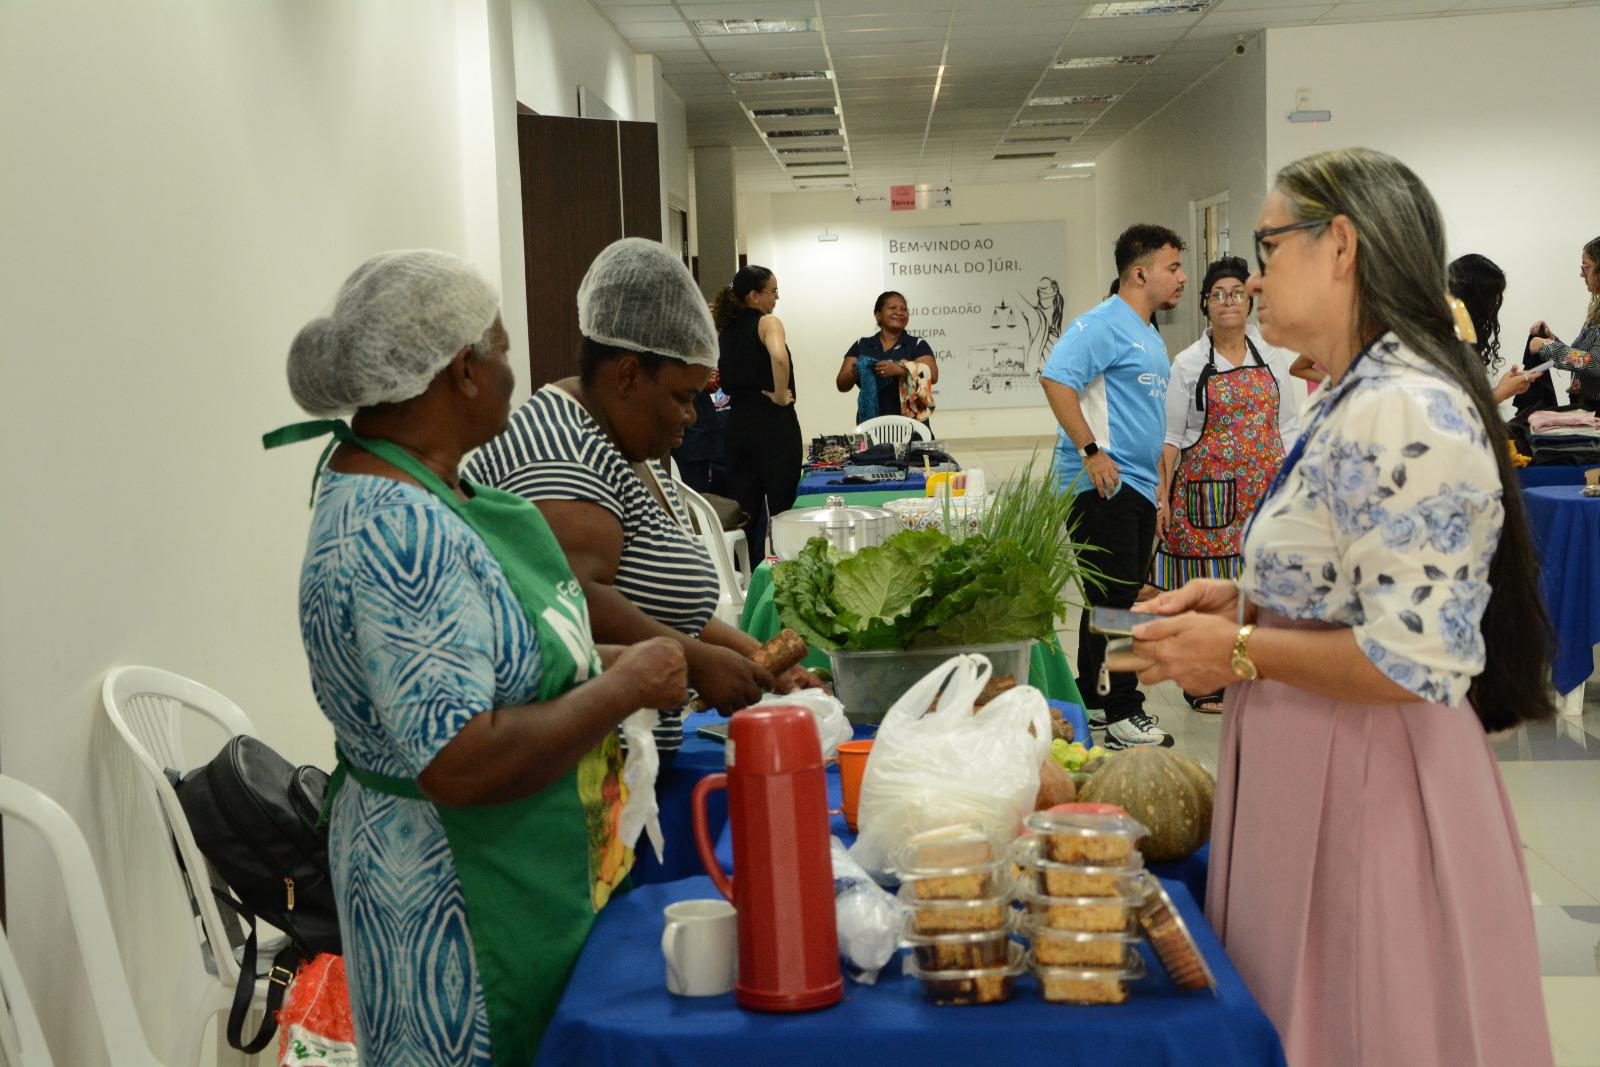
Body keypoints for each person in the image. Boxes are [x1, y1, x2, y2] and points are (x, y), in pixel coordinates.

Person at [1131, 149, 1555, 1065]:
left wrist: (1239, 648)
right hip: (1321, 755)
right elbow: (1358, 574)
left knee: (1366, 1019)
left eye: (1268, 245)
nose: (1249, 275)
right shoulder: (1351, 394)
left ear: (1342, 247)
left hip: (1373, 778)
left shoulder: (1405, 407)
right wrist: (1248, 597)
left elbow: (1414, 659)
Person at [272, 249, 689, 1063]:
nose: (513, 373)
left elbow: (491, 656)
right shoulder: (401, 530)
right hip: (445, 898)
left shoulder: (424, 490)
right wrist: (627, 681)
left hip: (491, 869)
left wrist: (611, 658)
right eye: (502, 351)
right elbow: (460, 758)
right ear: (463, 371)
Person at [467, 240, 816, 760]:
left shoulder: (628, 441)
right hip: (588, 773)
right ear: (628, 375)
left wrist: (756, 657)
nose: (692, 416)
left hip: (640, 757)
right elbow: (578, 601)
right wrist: (700, 663)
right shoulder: (561, 452)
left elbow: (661, 602)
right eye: (682, 397)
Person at [1040, 223, 1185, 749]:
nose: (1182, 277)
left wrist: (1160, 491)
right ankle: (1126, 711)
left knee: (1110, 597)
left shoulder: (1147, 331)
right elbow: (1056, 380)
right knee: (1118, 602)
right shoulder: (1102, 324)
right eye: (1173, 267)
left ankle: (1095, 699)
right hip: (1101, 482)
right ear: (1140, 272)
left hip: (1139, 486)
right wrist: (1091, 451)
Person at [1152, 255, 1302, 712]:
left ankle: (1250, 668)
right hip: (1207, 497)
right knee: (1207, 592)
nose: (1228, 302)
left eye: (1237, 293)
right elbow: (1171, 438)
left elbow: (1289, 427)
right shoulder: (1189, 363)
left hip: (1264, 493)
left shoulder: (1273, 357)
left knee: (1255, 586)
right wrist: (1163, 497)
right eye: (1218, 295)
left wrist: (1296, 487)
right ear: (1205, 304)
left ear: (1249, 301)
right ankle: (1203, 681)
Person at [714, 265, 801, 557]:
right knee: (781, 509)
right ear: (754, 295)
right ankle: (783, 571)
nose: (776, 298)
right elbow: (778, 357)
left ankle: (749, 577)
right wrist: (779, 394)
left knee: (745, 510)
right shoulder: (767, 323)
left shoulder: (726, 331)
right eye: (773, 291)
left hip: (737, 425)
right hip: (773, 424)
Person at [835, 290, 939, 431]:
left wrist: (901, 370)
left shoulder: (917, 344)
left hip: (911, 425)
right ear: (878, 315)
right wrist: (859, 369)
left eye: (904, 309)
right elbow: (842, 385)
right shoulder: (862, 344)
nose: (900, 312)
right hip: (871, 425)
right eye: (893, 308)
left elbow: (932, 375)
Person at [1448, 252, 1543, 403]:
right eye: (1494, 297)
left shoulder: (1457, 334)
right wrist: (1502, 391)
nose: (1497, 303)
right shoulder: (1448, 340)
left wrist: (1506, 389)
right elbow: (1457, 409)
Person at [1529, 235, 1600, 409]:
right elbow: (1580, 355)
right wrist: (1550, 338)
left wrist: (1547, 347)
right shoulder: (1596, 311)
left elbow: (1594, 363)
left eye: (1586, 267)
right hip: (1586, 404)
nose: (1582, 274)